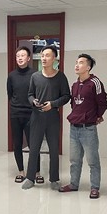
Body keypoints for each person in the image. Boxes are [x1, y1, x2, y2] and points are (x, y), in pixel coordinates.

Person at [58, 54, 107, 199]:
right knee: (74, 160)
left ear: (88, 67)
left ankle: (95, 187)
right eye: (76, 62)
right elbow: (74, 105)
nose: (77, 65)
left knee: (92, 161)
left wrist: (97, 116)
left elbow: (103, 103)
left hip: (88, 129)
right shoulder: (74, 85)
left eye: (81, 63)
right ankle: (74, 184)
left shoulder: (95, 82)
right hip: (74, 128)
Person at [22, 45, 71, 191]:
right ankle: (30, 178)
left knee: (54, 149)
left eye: (47, 55)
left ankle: (54, 179)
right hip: (36, 116)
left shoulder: (60, 77)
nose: (44, 58)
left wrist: (53, 104)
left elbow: (66, 96)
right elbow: (30, 94)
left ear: (54, 58)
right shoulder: (35, 77)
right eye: (42, 55)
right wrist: (33, 101)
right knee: (34, 148)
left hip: (53, 117)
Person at [7, 46, 43, 184]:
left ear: (28, 58)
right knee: (17, 144)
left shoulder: (35, 75)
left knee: (34, 144)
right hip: (15, 114)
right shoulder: (11, 75)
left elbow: (37, 94)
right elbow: (10, 94)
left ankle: (37, 172)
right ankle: (21, 172)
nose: (20, 58)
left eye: (23, 55)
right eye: (18, 56)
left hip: (31, 114)